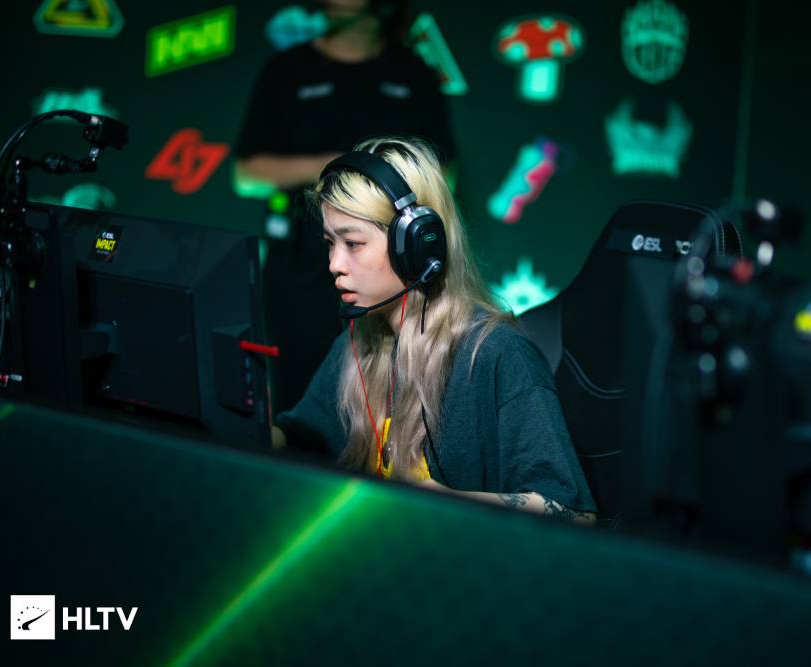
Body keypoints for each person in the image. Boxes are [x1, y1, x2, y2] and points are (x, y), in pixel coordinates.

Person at [272, 137, 596, 523]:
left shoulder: (495, 353)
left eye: (353, 243)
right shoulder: (358, 344)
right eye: (330, 242)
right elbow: (300, 437)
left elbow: (574, 513)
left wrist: (449, 502)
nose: (334, 264)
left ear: (416, 243)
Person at [234, 0, 456, 414]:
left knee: (395, 401)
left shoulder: (413, 72)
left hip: (393, 266)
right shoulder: (287, 69)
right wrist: (338, 167)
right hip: (299, 268)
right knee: (301, 402)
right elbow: (246, 173)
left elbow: (443, 175)